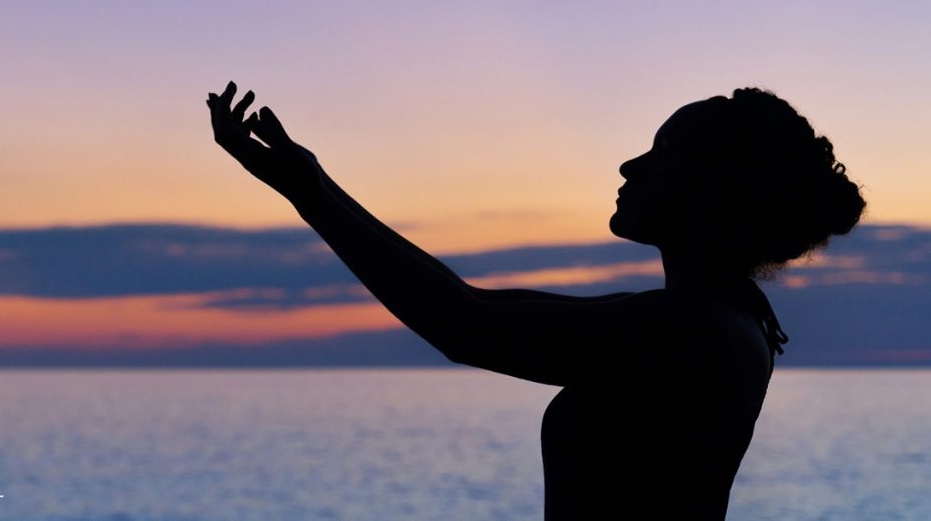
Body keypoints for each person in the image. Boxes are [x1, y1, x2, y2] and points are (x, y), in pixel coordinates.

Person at [206, 82, 866, 519]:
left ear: (708, 188)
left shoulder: (692, 330)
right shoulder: (730, 320)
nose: (629, 166)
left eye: (660, 153)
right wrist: (313, 186)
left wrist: (312, 194)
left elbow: (463, 323)